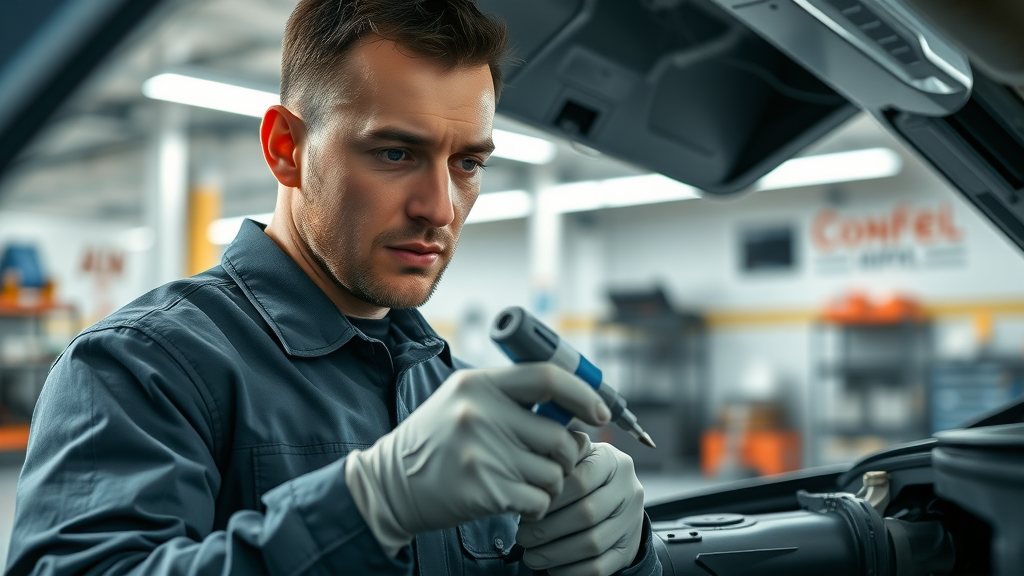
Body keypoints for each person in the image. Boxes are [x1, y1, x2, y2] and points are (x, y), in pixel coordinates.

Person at [6, 1, 660, 575]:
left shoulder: (445, 386)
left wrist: (622, 553)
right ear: (286, 148)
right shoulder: (142, 365)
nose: (439, 207)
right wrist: (366, 506)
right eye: (395, 153)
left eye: (467, 163)